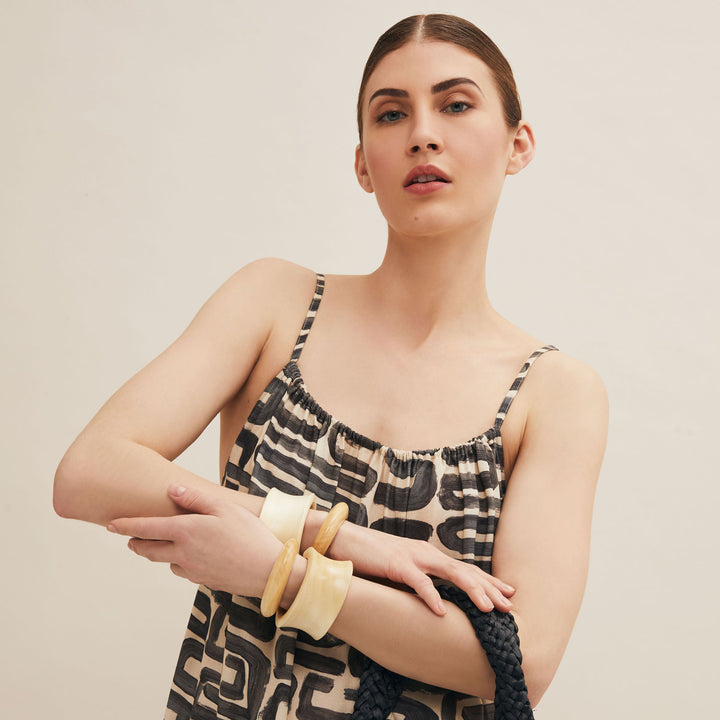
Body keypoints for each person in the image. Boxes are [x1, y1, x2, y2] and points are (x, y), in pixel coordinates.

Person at [54, 13, 608, 720]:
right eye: (391, 114)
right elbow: (87, 474)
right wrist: (339, 539)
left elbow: (521, 662)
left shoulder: (555, 393)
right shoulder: (275, 303)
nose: (422, 134)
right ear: (362, 164)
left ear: (517, 144)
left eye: (456, 104)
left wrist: (280, 572)